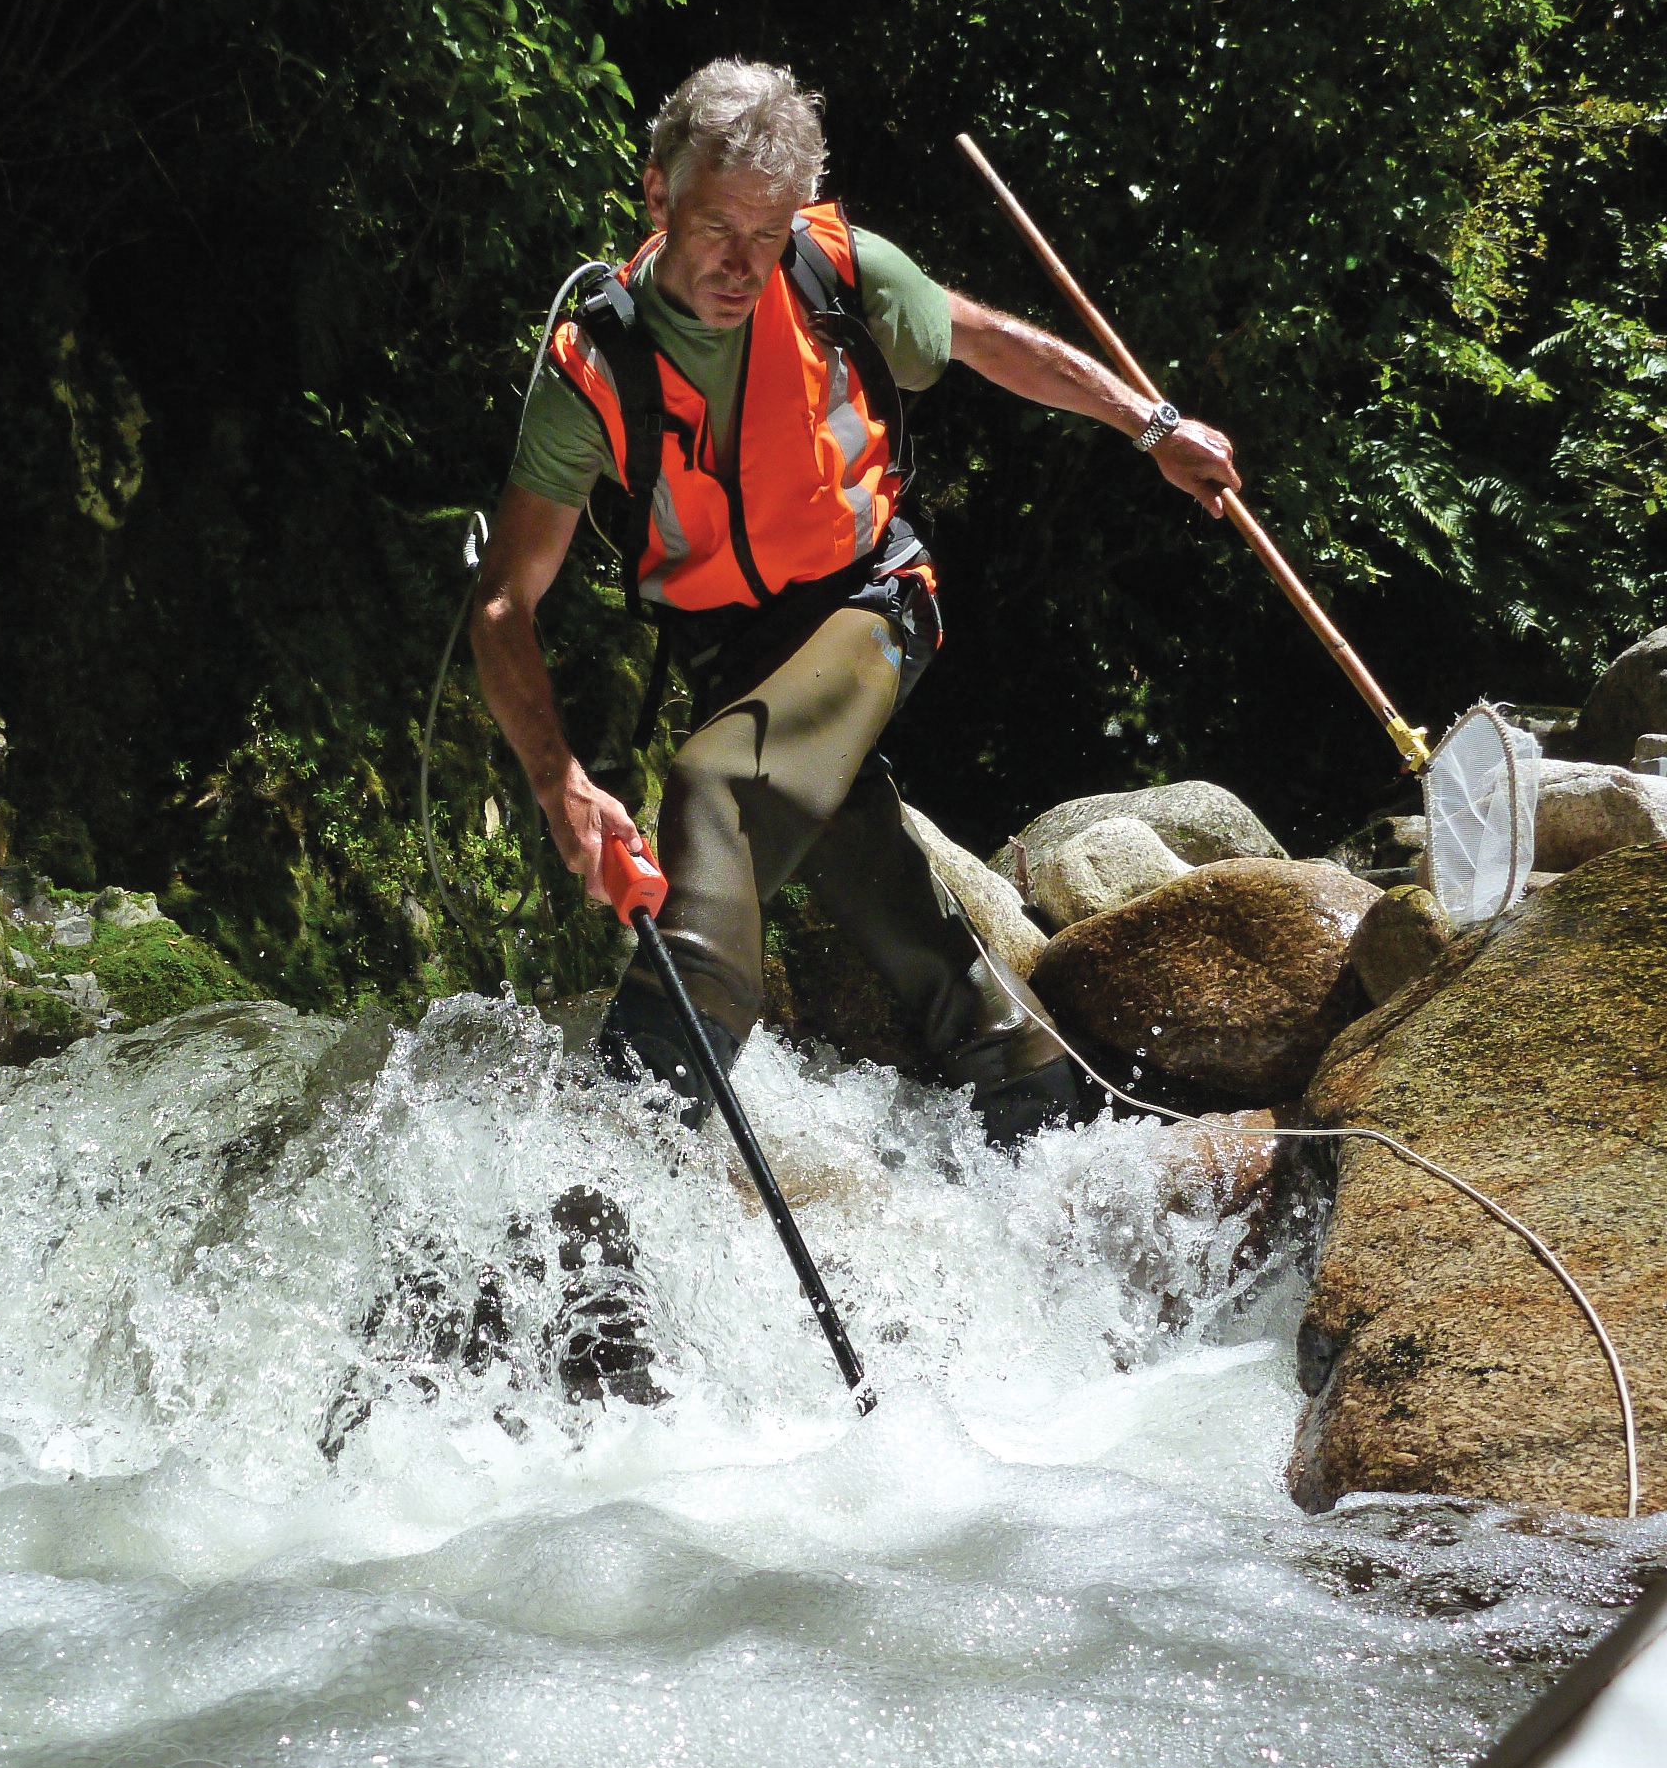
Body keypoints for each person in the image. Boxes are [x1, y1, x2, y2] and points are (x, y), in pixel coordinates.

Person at [471, 59, 1241, 1144]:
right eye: (718, 227)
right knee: (868, 873)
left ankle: (619, 1149)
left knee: (718, 787)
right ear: (657, 196)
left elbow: (982, 338)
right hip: (733, 653)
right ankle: (1041, 1110)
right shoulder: (595, 365)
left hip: (874, 601)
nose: (744, 265)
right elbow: (504, 602)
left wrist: (1153, 428)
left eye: (768, 232)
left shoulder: (836, 272)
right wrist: (559, 785)